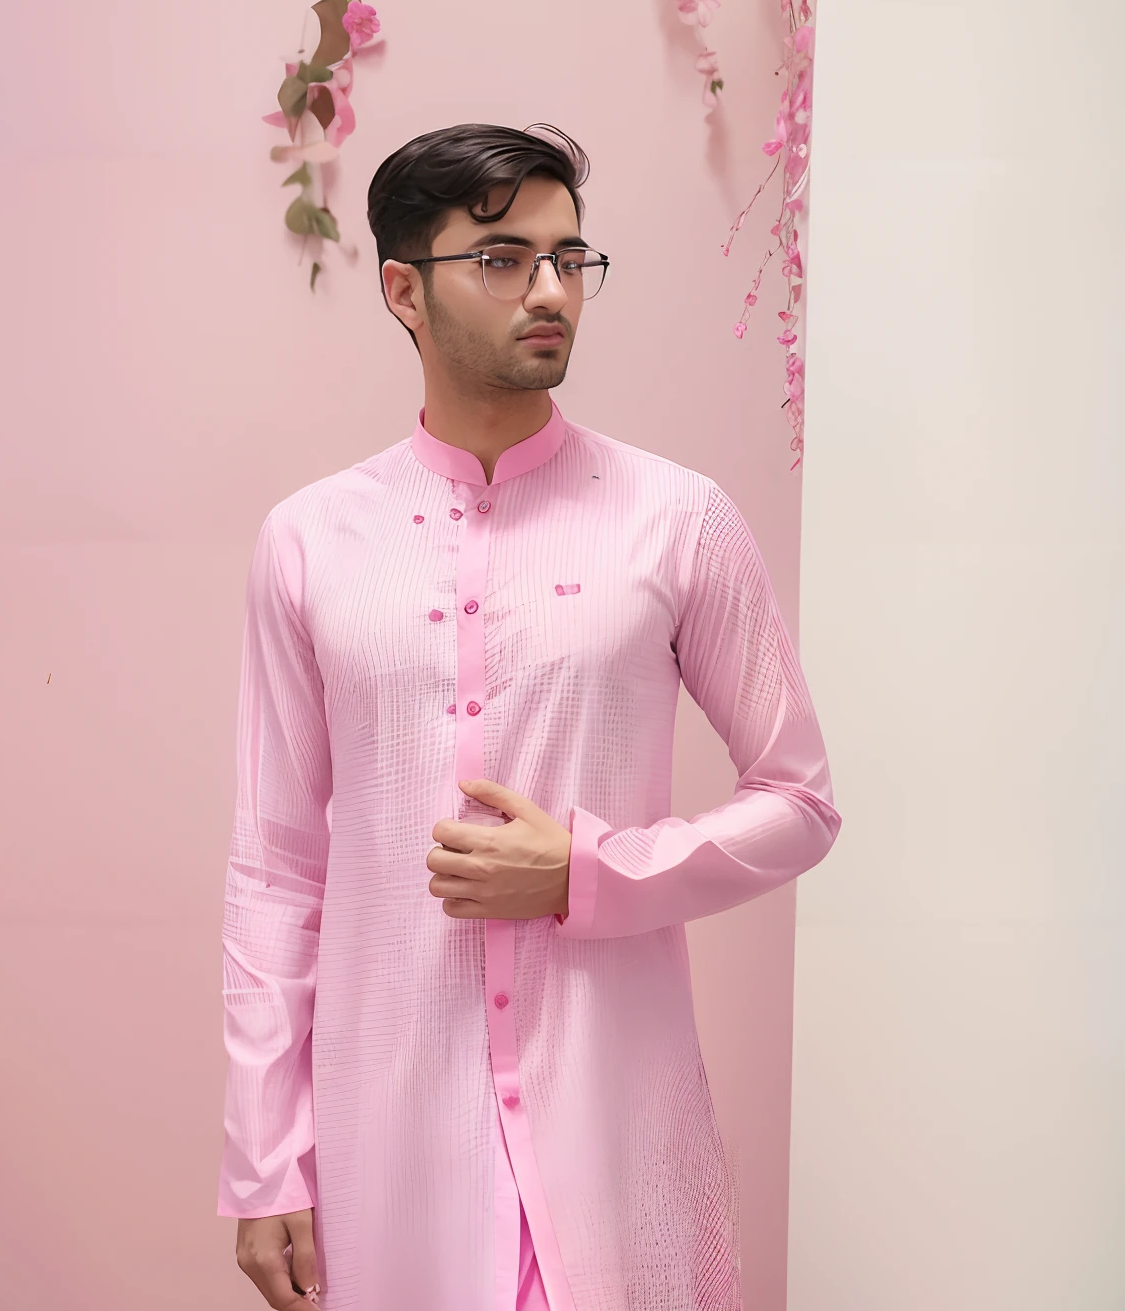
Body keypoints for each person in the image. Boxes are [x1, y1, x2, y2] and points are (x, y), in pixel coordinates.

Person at [216, 122, 842, 1311]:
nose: (551, 291)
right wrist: (264, 1162)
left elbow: (801, 803)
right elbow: (275, 868)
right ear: (405, 290)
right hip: (392, 1144)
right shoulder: (308, 542)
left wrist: (587, 872)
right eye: (502, 259)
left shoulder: (678, 520)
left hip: (612, 1128)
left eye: (568, 257)